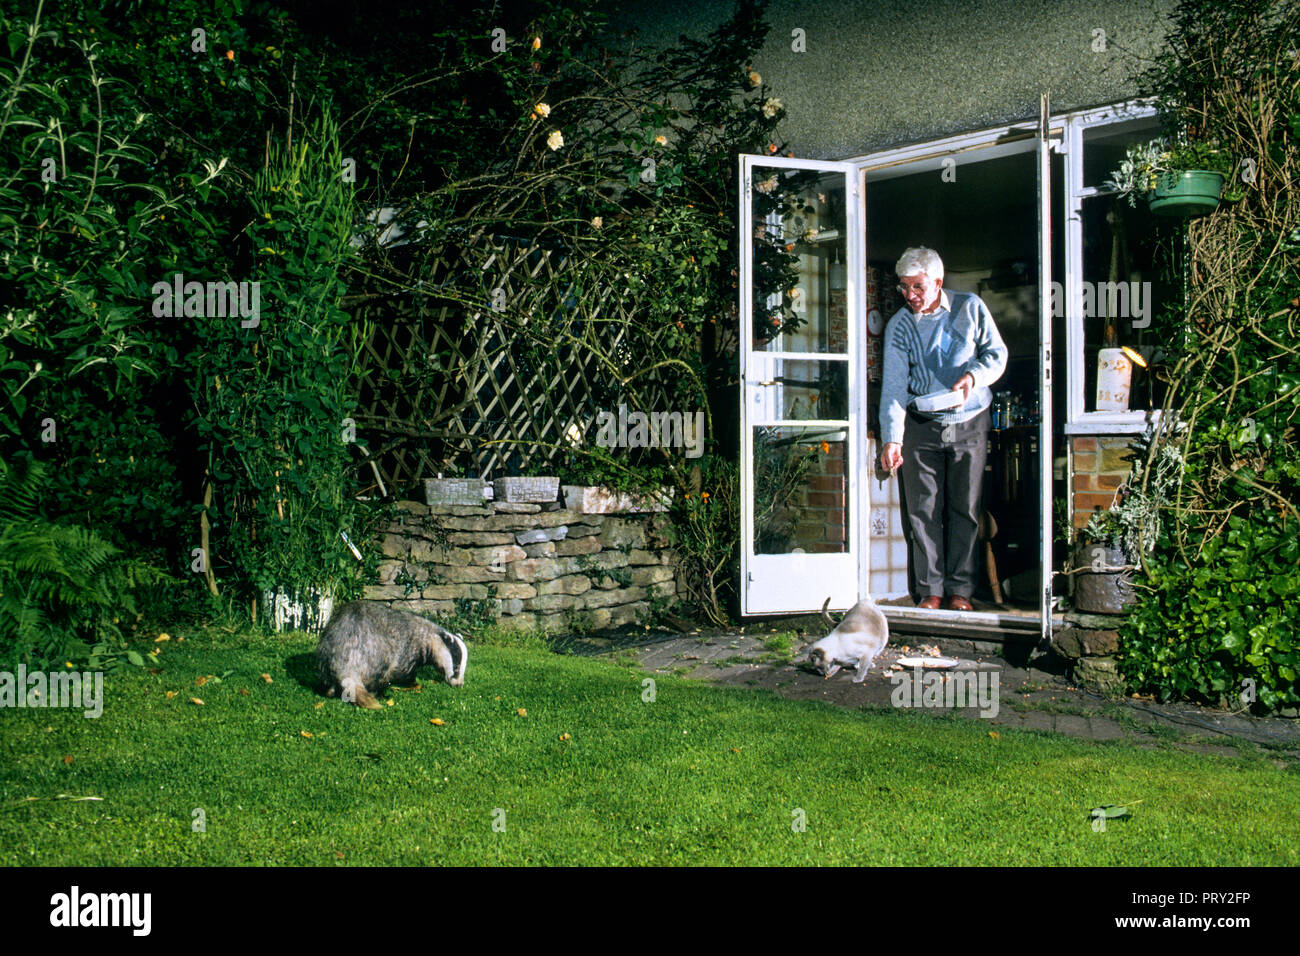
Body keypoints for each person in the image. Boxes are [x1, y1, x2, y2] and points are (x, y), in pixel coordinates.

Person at [879, 247, 1007, 611]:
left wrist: (973, 377)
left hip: (970, 419)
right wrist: (892, 438)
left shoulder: (970, 307)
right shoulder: (899, 325)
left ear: (938, 281)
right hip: (922, 422)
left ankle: (961, 591)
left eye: (917, 287)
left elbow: (997, 355)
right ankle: (930, 590)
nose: (910, 296)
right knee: (922, 511)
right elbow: (893, 387)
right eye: (903, 288)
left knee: (965, 508)